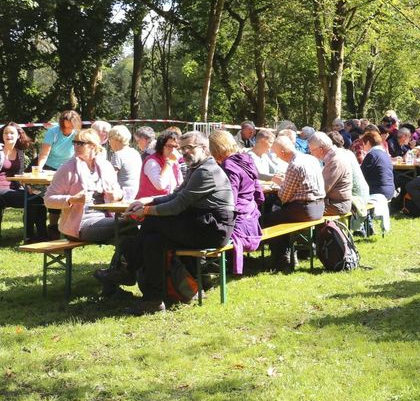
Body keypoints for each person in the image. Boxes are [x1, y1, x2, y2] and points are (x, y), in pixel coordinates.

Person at [104, 131, 236, 314]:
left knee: (152, 222)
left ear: (204, 148)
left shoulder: (206, 171)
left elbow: (178, 205)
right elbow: (175, 195)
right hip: (202, 223)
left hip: (213, 229)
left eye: (189, 147)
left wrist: (147, 210)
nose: (185, 152)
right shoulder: (196, 168)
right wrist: (147, 201)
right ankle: (153, 300)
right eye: (182, 149)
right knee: (153, 242)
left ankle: (127, 268)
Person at [43, 129, 123, 244]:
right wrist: (72, 199)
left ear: (92, 146)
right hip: (79, 224)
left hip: (106, 218)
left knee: (128, 238)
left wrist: (117, 195)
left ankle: (123, 262)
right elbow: (48, 200)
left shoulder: (106, 166)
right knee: (128, 224)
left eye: (80, 143)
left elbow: (119, 192)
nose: (75, 146)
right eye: (74, 142)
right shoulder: (67, 168)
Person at [263, 136, 326, 271]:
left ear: (283, 152)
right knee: (279, 215)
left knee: (269, 219)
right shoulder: (311, 159)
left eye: (276, 153)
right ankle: (289, 255)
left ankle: (281, 259)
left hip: (304, 210)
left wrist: (280, 184)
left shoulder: (294, 165)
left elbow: (284, 197)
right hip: (319, 207)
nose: (276, 156)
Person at [208, 130, 263, 275]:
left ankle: (210, 268)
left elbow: (229, 198)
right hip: (251, 215)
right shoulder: (247, 159)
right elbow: (259, 192)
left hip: (238, 218)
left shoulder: (228, 165)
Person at [360, 129, 394, 233]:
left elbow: (361, 175)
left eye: (363, 144)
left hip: (378, 191)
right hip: (389, 189)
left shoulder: (372, 155)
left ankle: (361, 228)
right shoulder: (384, 154)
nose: (362, 147)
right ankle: (367, 226)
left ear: (368, 143)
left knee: (356, 196)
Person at [136, 130, 184, 199]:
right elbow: (160, 185)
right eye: (169, 146)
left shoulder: (173, 160)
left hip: (166, 202)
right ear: (161, 146)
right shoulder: (152, 161)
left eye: (175, 146)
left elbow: (180, 183)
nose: (172, 150)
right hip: (148, 205)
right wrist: (169, 163)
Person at [107, 125, 143, 202]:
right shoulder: (135, 153)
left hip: (121, 195)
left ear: (116, 139)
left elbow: (110, 178)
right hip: (134, 193)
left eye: (109, 139)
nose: (109, 142)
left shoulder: (118, 155)